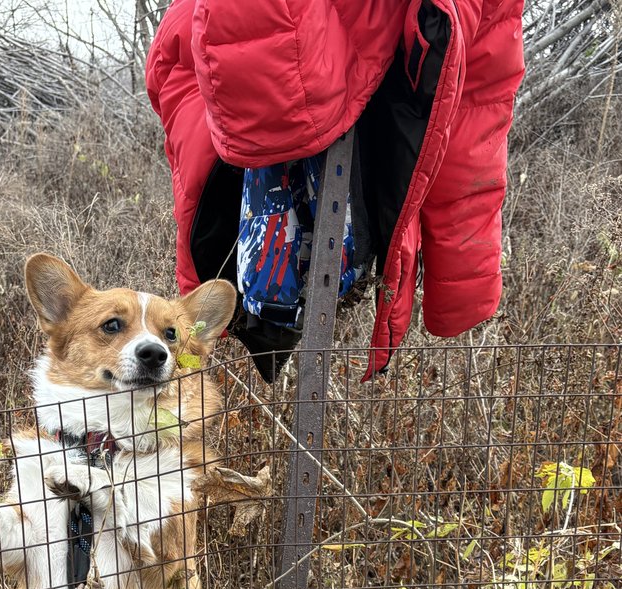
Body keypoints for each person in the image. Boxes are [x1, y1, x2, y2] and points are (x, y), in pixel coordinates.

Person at [145, 0, 525, 381]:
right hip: (310, 225)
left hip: (325, 207)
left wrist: (464, 290)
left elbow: (476, 112)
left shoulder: (185, 26)